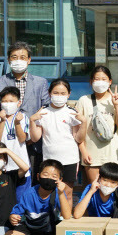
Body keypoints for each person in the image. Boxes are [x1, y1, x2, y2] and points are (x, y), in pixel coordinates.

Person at [0, 42, 50, 184]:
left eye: (22, 57)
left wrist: (33, 132)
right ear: (8, 60)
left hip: (31, 141)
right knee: (5, 179)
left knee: (32, 178)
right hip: (7, 142)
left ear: (29, 60)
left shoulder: (40, 83)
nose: (18, 60)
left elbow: (46, 107)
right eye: (14, 57)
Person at [29, 79, 86, 209]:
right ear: (49, 93)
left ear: (68, 94)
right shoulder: (43, 113)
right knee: (48, 192)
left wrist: (84, 123)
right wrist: (32, 121)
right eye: (56, 93)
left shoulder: (72, 113)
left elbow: (79, 138)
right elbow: (35, 137)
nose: (59, 96)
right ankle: (51, 221)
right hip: (49, 160)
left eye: (62, 93)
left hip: (69, 159)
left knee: (67, 193)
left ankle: (65, 221)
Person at [3, 159, 72, 235]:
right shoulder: (29, 193)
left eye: (54, 176)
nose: (49, 178)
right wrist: (13, 217)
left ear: (60, 179)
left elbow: (67, 216)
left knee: (66, 234)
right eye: (46, 174)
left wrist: (61, 193)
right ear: (38, 176)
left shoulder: (58, 193)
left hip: (50, 228)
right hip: (30, 228)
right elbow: (16, 213)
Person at [76, 66, 118, 183]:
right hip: (91, 155)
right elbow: (77, 130)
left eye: (104, 79)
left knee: (111, 190)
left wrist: (116, 105)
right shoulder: (84, 101)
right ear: (91, 82)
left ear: (110, 82)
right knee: (94, 190)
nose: (100, 82)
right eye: (96, 79)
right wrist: (83, 152)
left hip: (112, 155)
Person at [0, 86, 31, 201]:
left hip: (20, 166)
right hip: (1, 167)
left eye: (11, 101)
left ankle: (20, 219)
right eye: (4, 101)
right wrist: (2, 120)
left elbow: (22, 139)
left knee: (21, 199)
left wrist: (17, 123)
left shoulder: (23, 117)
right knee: (4, 200)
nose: (7, 104)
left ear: (19, 102)